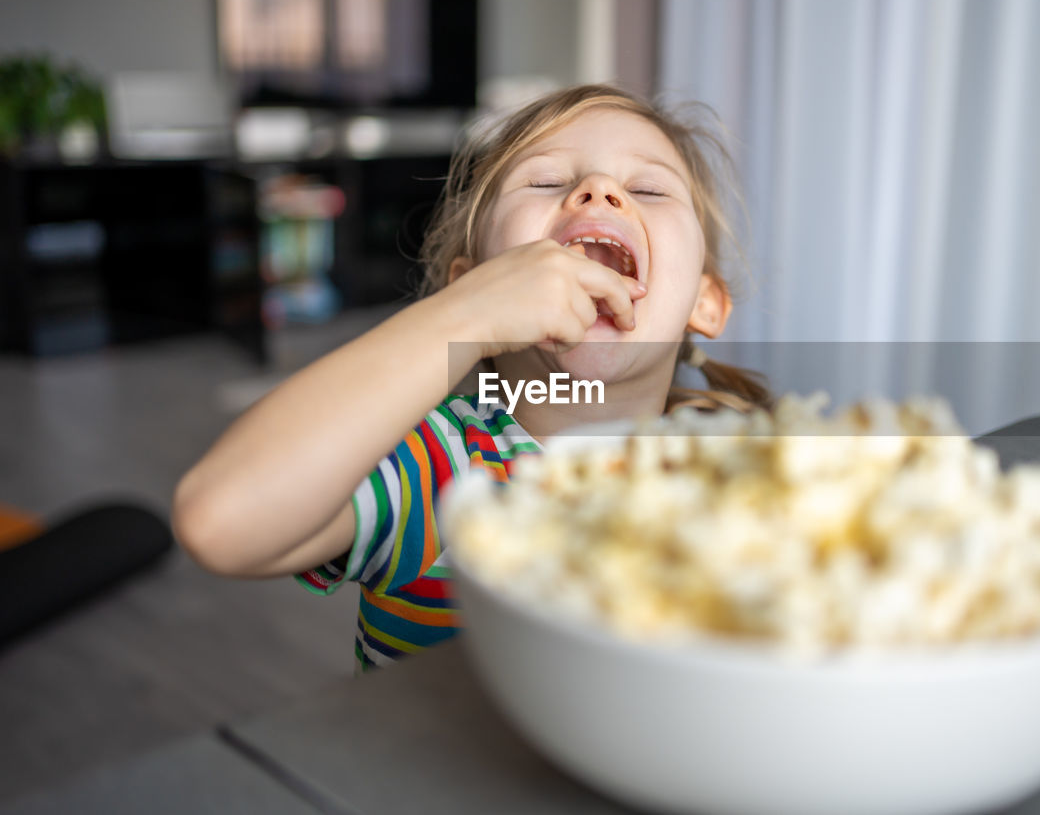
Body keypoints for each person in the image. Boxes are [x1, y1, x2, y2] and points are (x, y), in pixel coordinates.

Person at [173, 84, 770, 671]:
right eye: (546, 182)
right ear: (476, 281)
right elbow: (220, 518)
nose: (600, 192)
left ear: (704, 302)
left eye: (647, 187)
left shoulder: (746, 464)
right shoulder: (439, 470)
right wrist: (461, 319)